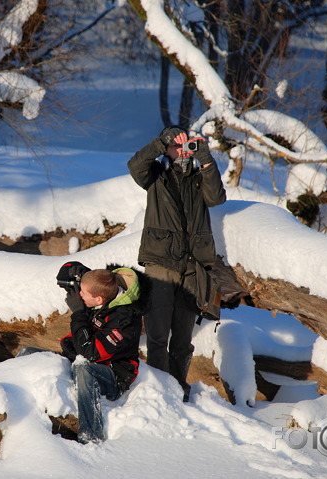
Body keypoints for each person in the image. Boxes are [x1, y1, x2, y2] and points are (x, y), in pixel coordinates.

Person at [127, 126, 226, 402]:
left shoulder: (199, 176)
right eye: (176, 146)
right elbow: (135, 165)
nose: (182, 151)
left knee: (183, 339)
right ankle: (160, 392)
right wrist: (160, 142)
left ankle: (179, 388)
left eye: (187, 146)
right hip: (160, 263)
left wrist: (206, 158)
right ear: (168, 149)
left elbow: (216, 197)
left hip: (192, 267)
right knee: (157, 335)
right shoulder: (156, 175)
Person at [58, 264, 143, 444]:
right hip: (88, 360)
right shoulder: (106, 294)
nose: (79, 296)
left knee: (83, 368)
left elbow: (90, 354)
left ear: (98, 300)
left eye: (83, 293)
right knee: (29, 353)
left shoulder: (124, 321)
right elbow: (96, 283)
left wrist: (79, 314)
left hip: (115, 375)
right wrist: (74, 271)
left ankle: (91, 436)